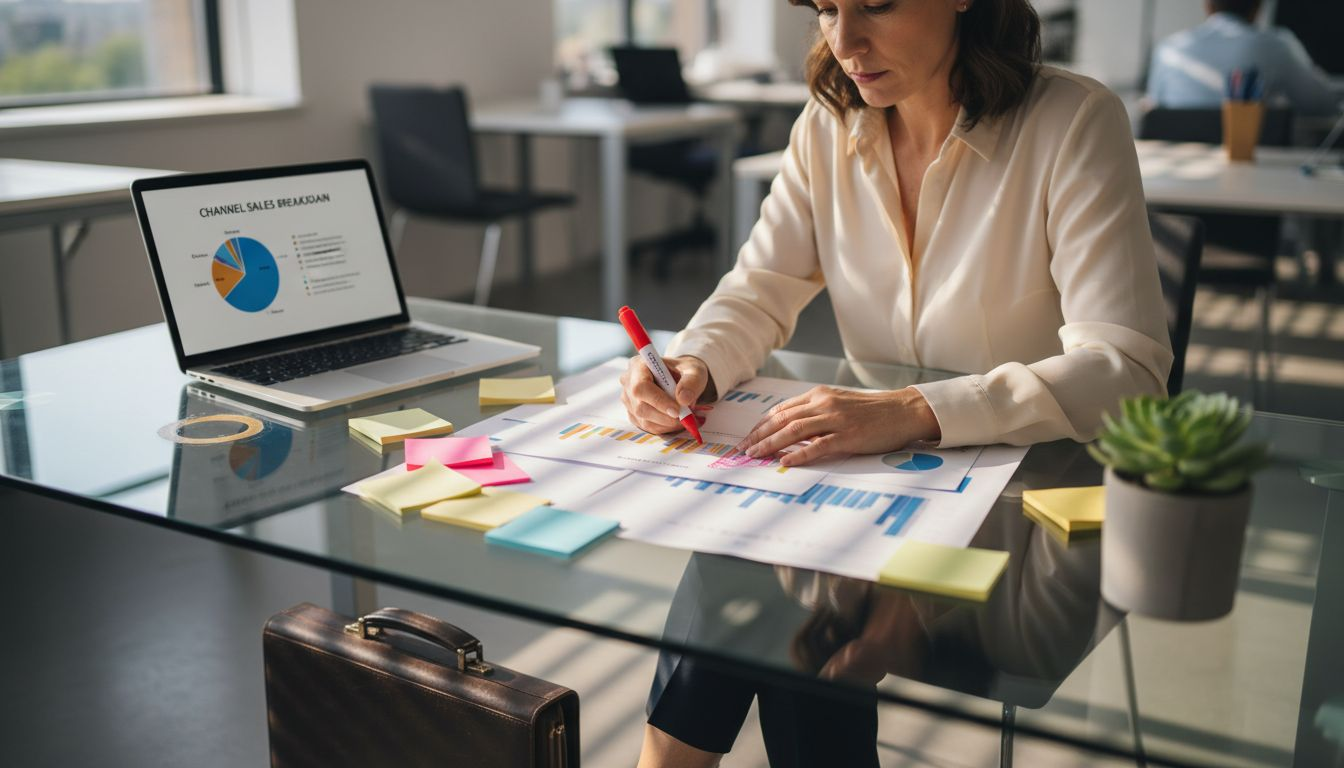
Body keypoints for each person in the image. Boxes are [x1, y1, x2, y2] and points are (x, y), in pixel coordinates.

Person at [621, 0, 1172, 764]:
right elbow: (762, 284)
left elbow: (1128, 372)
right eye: (825, 9)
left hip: (1020, 506)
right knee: (755, 571)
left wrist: (914, 409)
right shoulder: (827, 126)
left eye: (875, 4)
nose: (844, 42)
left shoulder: (1072, 121)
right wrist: (695, 361)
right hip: (869, 486)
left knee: (772, 590)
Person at [1146, 0, 1339, 116]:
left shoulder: (1168, 49)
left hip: (1181, 170)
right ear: (1258, 7)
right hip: (1252, 170)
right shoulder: (1276, 46)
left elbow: (1154, 108)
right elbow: (1323, 104)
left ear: (1207, 5)